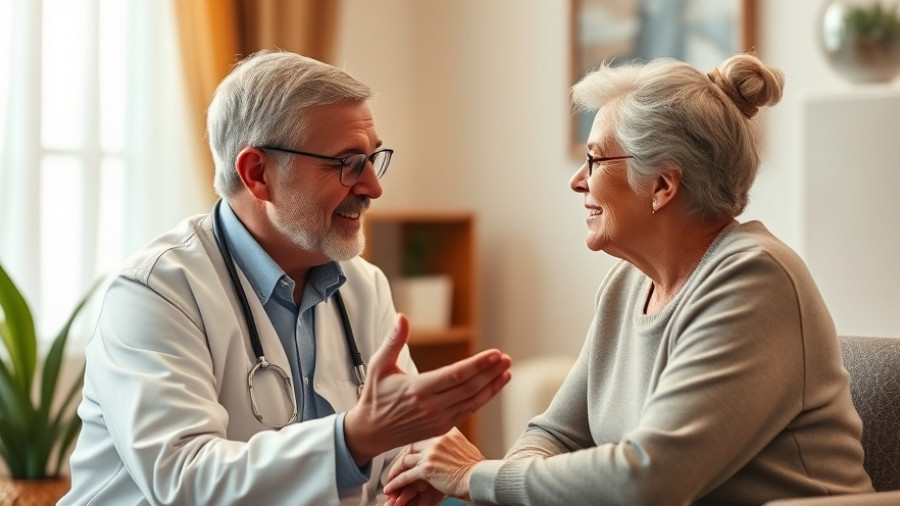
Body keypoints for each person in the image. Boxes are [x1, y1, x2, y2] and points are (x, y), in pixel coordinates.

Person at [383, 53, 874, 505]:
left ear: (662, 185)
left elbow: (652, 478)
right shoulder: (626, 285)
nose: (578, 180)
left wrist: (476, 476)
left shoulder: (754, 279)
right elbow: (555, 434)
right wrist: (512, 486)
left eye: (594, 159)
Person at [59, 50, 512, 505]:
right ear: (257, 173)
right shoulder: (156, 291)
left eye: (374, 159)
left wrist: (425, 460)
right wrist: (352, 438)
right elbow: (185, 481)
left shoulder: (363, 285)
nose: (374, 186)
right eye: (348, 163)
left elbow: (398, 444)